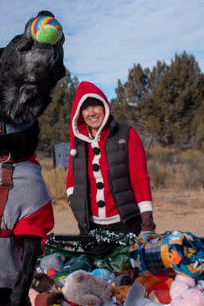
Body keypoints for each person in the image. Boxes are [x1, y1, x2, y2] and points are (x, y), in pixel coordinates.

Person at [66, 81, 155, 236]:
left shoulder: (127, 135)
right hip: (90, 227)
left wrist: (147, 223)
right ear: (80, 113)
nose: (91, 112)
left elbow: (140, 179)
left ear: (105, 107)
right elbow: (72, 179)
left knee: (127, 261)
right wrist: (75, 204)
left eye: (95, 106)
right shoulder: (78, 143)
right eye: (85, 108)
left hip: (126, 224)